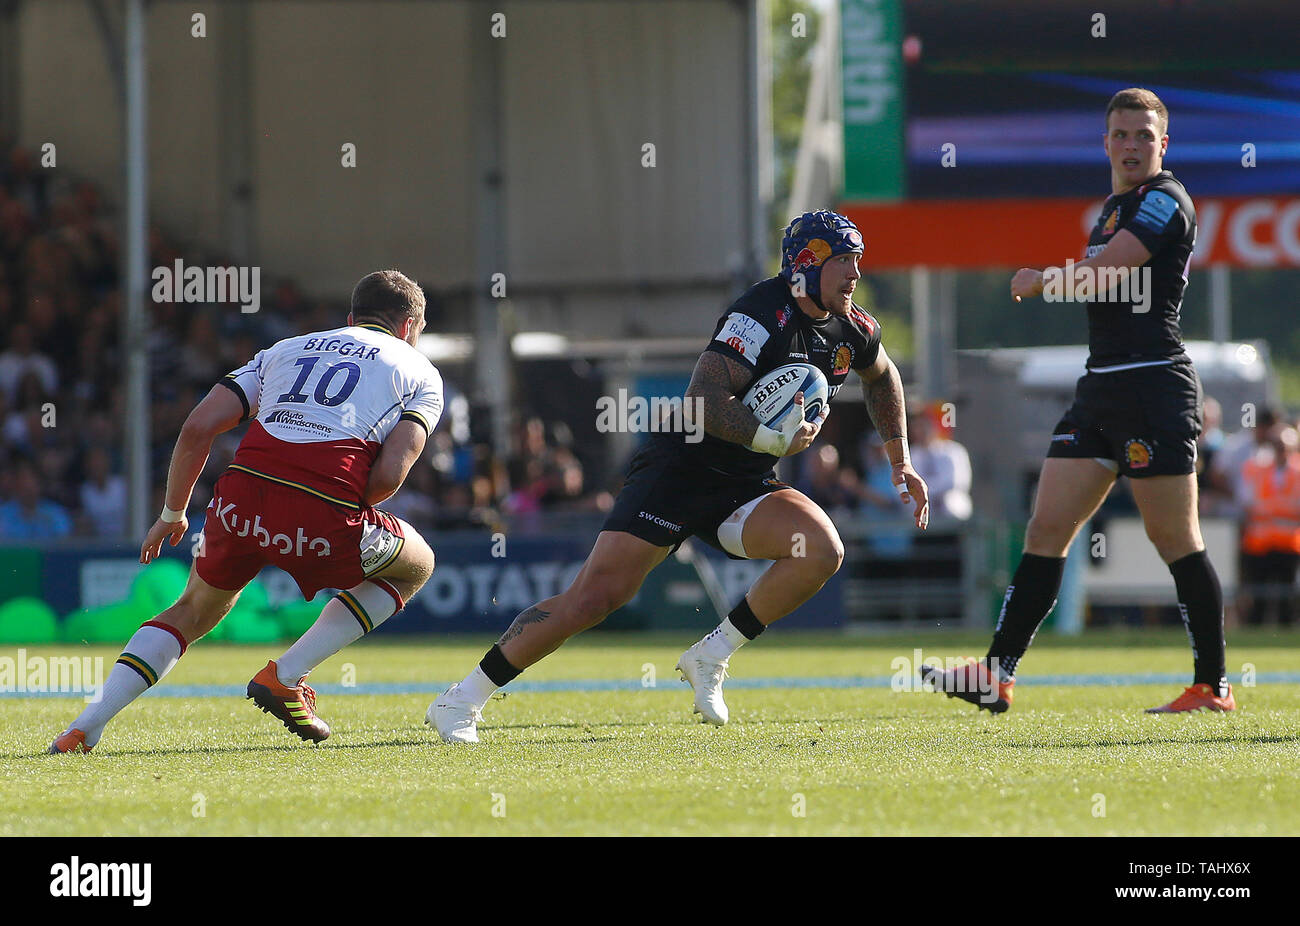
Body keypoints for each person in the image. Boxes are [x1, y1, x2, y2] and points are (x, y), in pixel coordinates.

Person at [430, 210, 930, 743]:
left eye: (858, 260)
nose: (855, 274)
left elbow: (883, 378)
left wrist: (900, 458)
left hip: (744, 483)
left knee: (821, 550)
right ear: (808, 262)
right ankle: (462, 699)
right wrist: (770, 439)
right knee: (595, 599)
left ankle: (711, 654)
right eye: (844, 261)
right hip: (681, 470)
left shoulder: (853, 326)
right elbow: (703, 399)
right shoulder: (760, 314)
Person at [921, 88, 1234, 713]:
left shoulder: (1164, 200)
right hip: (1102, 388)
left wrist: (1044, 280)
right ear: (1106, 142)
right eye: (1121, 134)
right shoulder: (1113, 208)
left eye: (1144, 135)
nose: (1131, 145)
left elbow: (1110, 271)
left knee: (1174, 537)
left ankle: (1212, 684)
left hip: (1154, 387)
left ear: (1163, 144)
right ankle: (996, 672)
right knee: (1046, 528)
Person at [50, 270, 443, 753]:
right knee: (417, 565)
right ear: (409, 328)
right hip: (326, 510)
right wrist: (321, 514)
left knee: (191, 610)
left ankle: (85, 726)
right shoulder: (419, 371)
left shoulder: (284, 349)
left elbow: (197, 427)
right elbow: (388, 477)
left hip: (239, 501)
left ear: (350, 318)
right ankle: (287, 674)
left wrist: (173, 513)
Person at [1238, 424, 1300, 626]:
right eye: (1276, 445)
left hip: (1289, 544)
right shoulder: (1255, 468)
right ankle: (1254, 637)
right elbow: (1247, 502)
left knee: (1287, 599)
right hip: (1259, 544)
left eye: (1284, 446)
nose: (1280, 450)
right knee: (1257, 597)